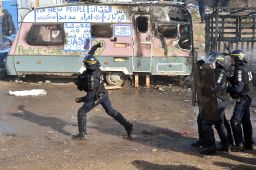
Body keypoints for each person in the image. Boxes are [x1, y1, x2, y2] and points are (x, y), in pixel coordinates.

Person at [73, 43, 133, 140]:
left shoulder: (92, 78)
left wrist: (81, 99)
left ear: (88, 65)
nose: (84, 64)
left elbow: (90, 96)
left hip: (97, 97)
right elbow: (91, 54)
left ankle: (82, 134)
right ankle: (128, 125)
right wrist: (96, 46)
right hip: (104, 93)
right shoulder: (97, 68)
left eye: (85, 63)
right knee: (111, 111)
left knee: (82, 112)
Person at [193, 52, 231, 155]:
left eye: (213, 61)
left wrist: (205, 87)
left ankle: (211, 148)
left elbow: (215, 88)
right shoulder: (215, 71)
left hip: (217, 102)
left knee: (206, 123)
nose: (211, 63)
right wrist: (200, 67)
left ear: (218, 62)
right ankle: (224, 145)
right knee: (218, 124)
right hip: (215, 102)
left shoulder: (221, 73)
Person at [227, 50, 253, 151]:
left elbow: (238, 88)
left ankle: (239, 144)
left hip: (243, 98)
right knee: (246, 121)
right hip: (248, 97)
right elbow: (237, 79)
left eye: (232, 58)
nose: (230, 60)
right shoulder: (247, 66)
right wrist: (227, 78)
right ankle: (249, 143)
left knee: (235, 121)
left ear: (237, 59)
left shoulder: (239, 69)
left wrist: (228, 87)